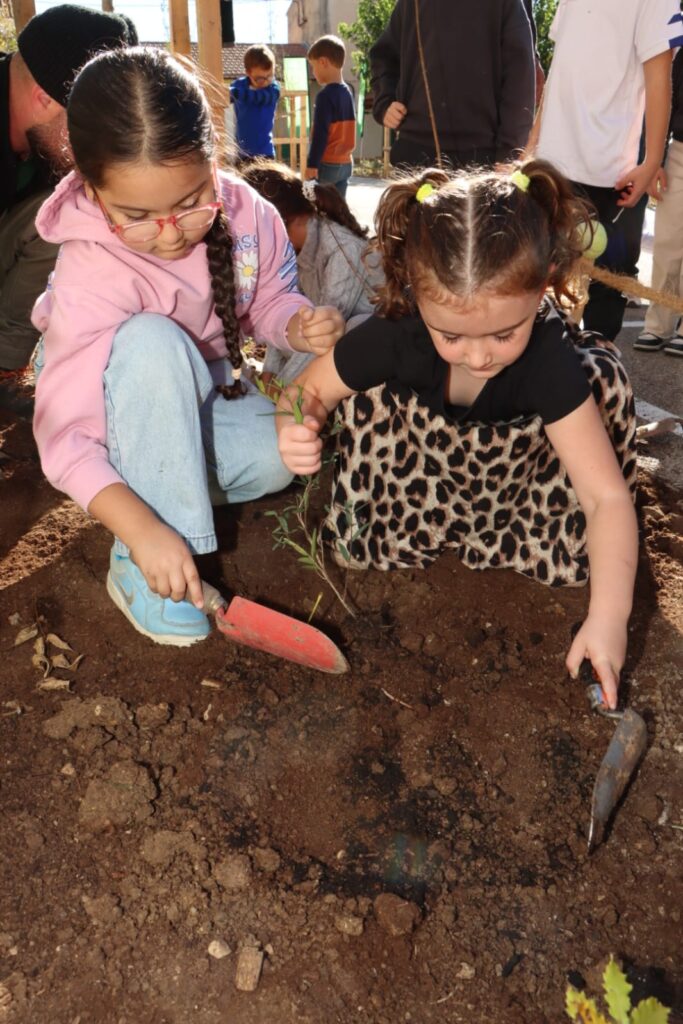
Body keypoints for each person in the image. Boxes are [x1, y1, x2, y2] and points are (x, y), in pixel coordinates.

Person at [276, 162, 640, 710]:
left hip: (518, 500)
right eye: (451, 335)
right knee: (366, 395)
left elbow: (604, 496)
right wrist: (294, 429)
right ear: (415, 293)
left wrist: (609, 618)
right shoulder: (397, 334)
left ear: (543, 287)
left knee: (605, 380)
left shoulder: (546, 357)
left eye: (503, 332)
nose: (478, 355)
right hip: (415, 491)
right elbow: (305, 393)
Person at [31, 47, 344, 647]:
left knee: (280, 453)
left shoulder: (248, 210)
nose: (170, 233)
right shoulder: (89, 272)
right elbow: (65, 436)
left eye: (189, 202)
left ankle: (163, 488)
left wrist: (295, 325)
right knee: (151, 342)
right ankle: (143, 561)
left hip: (198, 381)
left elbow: (266, 297)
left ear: (214, 159)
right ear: (93, 192)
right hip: (106, 391)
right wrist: (145, 528)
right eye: (138, 214)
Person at [529, 0, 679, 341]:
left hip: (612, 175)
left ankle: (600, 379)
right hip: (551, 169)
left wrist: (652, 160)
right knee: (537, 278)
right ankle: (543, 376)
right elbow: (558, 73)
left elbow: (660, 79)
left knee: (607, 292)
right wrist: (531, 144)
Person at [0, 3, 138, 372]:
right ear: (45, 98)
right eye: (86, 125)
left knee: (68, 211)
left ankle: (5, 366)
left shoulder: (44, 138)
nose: (94, 142)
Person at [241, 158, 384, 382]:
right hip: (320, 345)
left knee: (349, 330)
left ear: (290, 220)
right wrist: (269, 372)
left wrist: (281, 388)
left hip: (363, 345)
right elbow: (282, 312)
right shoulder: (296, 250)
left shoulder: (342, 250)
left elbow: (324, 331)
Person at [369, 0, 536, 170]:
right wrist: (385, 102)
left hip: (482, 161)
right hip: (415, 154)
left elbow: (520, 78)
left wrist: (509, 153)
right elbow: (383, 57)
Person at [635, 48, 683, 357]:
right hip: (679, 150)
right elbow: (666, 100)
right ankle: (659, 324)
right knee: (667, 240)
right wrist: (657, 160)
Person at [305, 35, 356, 199]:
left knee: (321, 210)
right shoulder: (347, 92)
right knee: (339, 210)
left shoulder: (325, 96)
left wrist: (312, 164)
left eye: (313, 66)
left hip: (327, 164)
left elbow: (321, 133)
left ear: (323, 62)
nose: (313, 72)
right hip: (346, 163)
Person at [229, 44, 281, 162]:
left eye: (270, 75)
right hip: (242, 153)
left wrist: (235, 94)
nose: (266, 81)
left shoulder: (273, 90)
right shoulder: (238, 86)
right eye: (260, 78)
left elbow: (258, 97)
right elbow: (224, 97)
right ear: (248, 72)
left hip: (265, 153)